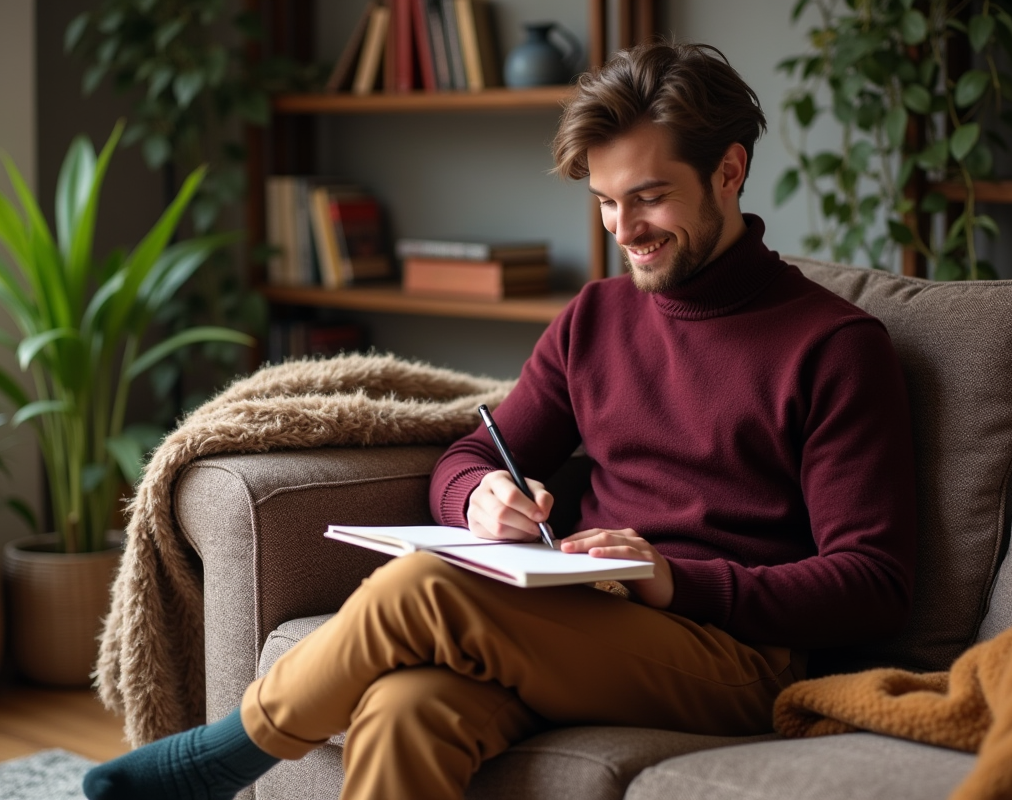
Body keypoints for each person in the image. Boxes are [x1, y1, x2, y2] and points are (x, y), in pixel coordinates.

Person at [83, 41, 916, 800]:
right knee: (404, 708)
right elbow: (470, 453)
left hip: (732, 656)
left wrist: (672, 577)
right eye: (604, 202)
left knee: (426, 587)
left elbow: (872, 583)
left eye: (650, 199)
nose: (624, 231)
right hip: (588, 624)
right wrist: (479, 496)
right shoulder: (596, 320)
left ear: (729, 172)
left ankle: (222, 755)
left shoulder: (835, 347)